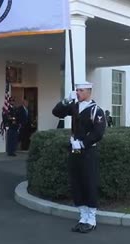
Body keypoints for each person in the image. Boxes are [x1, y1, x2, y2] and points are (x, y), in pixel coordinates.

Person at [52, 81, 106, 234]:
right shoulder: (74, 107)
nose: (78, 93)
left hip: (88, 152)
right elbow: (56, 112)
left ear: (89, 92)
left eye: (81, 91)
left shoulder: (96, 110)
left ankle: (91, 218)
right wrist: (65, 101)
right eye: (76, 90)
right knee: (76, 182)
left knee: (89, 182)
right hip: (74, 151)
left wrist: (83, 143)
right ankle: (83, 216)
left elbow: (98, 133)